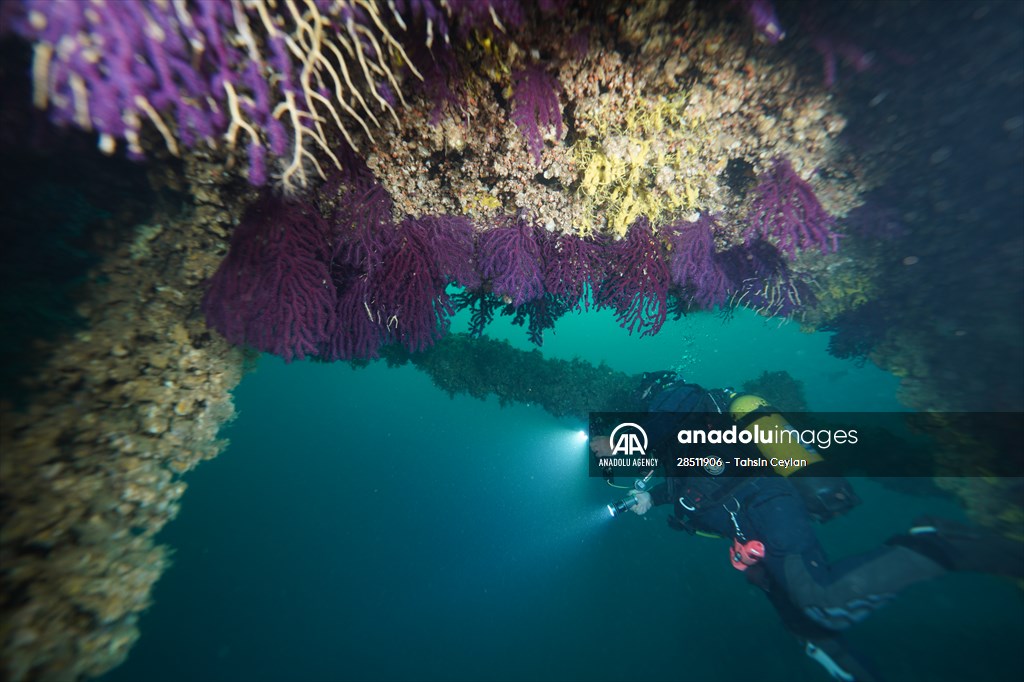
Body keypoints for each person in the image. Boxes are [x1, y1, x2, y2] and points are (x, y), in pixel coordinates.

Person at [593, 373, 1024, 682]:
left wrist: (619, 442)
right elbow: (696, 478)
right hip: (749, 528)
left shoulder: (675, 398)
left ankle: (934, 545)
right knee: (806, 625)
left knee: (821, 597)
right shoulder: (675, 443)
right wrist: (651, 496)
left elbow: (682, 433)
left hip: (765, 499)